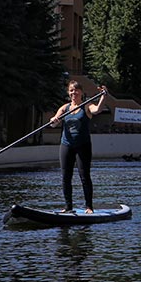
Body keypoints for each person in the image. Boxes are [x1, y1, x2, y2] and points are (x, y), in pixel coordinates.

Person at [49, 81, 107, 213]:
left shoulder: (87, 106)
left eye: (76, 90)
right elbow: (54, 122)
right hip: (66, 145)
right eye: (71, 90)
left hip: (83, 145)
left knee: (84, 176)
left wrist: (103, 96)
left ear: (81, 92)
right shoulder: (64, 108)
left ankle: (89, 207)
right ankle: (68, 207)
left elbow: (97, 110)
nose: (73, 93)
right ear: (68, 93)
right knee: (65, 177)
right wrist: (54, 120)